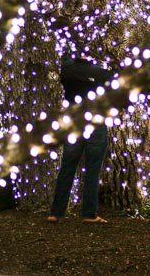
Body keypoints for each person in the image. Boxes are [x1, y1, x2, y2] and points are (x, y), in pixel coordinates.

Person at [47, 57, 114, 224]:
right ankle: (89, 213)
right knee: (93, 169)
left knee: (68, 166)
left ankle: (56, 212)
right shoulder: (102, 73)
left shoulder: (66, 68)